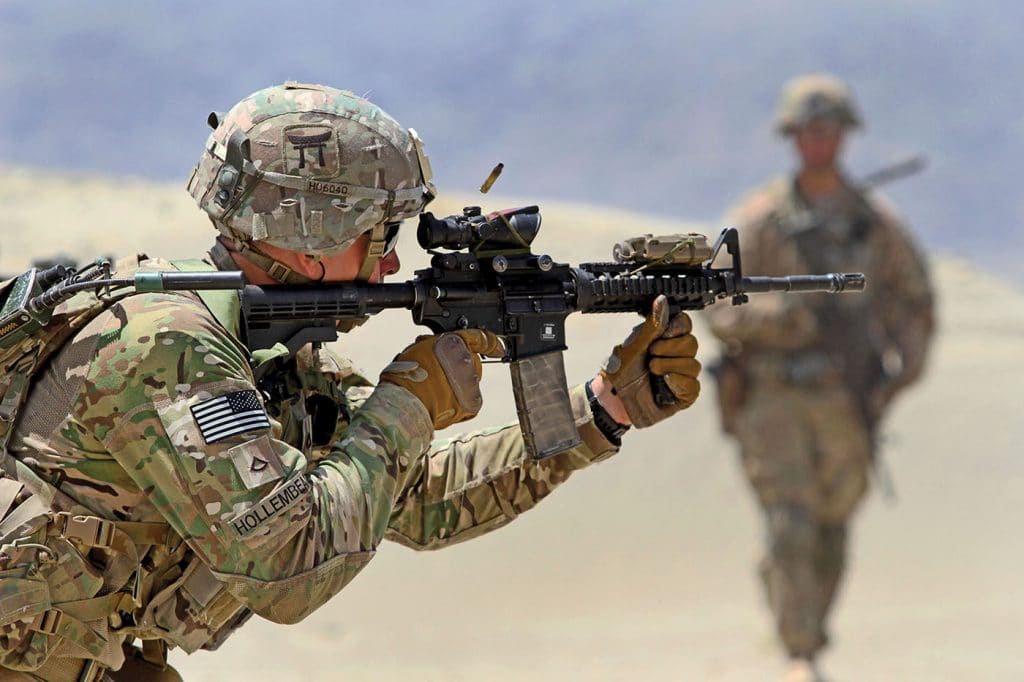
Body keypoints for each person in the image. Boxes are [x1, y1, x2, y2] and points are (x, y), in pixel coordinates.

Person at [0, 82, 701, 681]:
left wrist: (605, 411)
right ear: (315, 236)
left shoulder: (273, 356)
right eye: (381, 236)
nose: (393, 266)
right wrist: (408, 404)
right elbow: (288, 566)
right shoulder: (165, 345)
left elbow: (416, 501)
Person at [707, 74, 935, 682]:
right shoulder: (761, 219)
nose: (818, 143)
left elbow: (915, 302)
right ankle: (797, 652)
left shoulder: (874, 222)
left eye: (828, 131)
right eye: (808, 132)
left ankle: (810, 633)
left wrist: (896, 378)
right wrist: (782, 318)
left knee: (833, 524)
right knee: (789, 521)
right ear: (792, 138)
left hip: (845, 397)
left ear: (844, 136)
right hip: (773, 395)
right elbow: (715, 300)